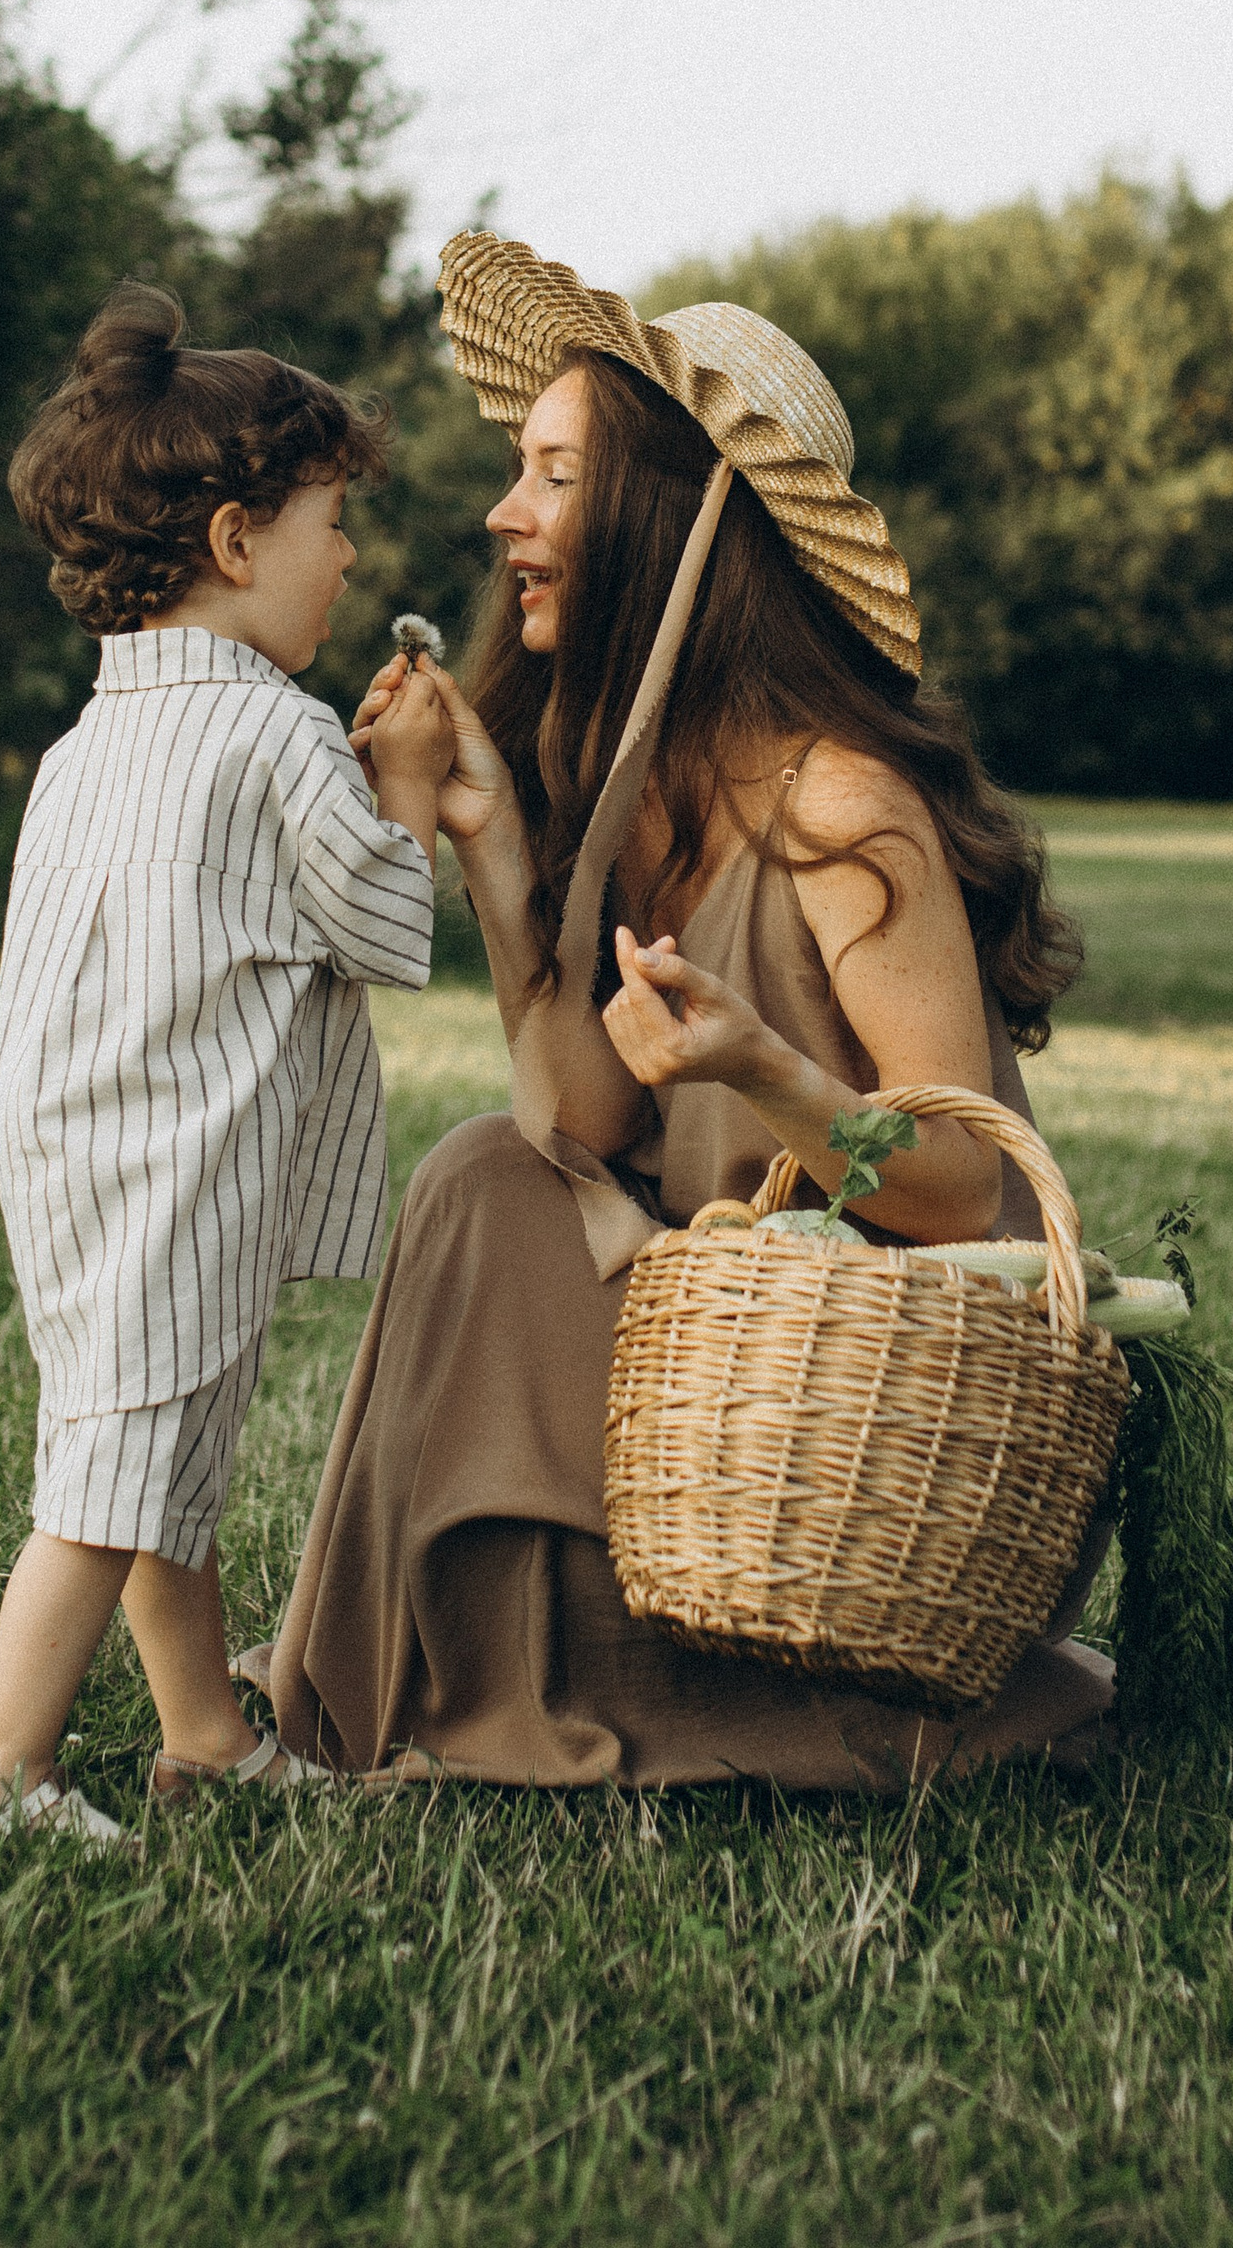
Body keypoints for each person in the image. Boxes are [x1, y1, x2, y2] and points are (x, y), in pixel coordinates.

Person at [248, 234, 1117, 1788]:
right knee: (477, 1174)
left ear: (666, 516)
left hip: (851, 1420)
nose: (505, 513)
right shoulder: (639, 792)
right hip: (697, 1354)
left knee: (482, 1194)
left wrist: (766, 1067)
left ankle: (501, 1665)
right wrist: (497, 844)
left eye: (553, 475)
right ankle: (434, 1655)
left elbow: (958, 1185)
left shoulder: (847, 807)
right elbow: (579, 1127)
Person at [0, 284, 453, 1836]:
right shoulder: (274, 735)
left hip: (70, 1138)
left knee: (151, 1446)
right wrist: (415, 789)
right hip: (178, 1152)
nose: (352, 556)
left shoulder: (87, 742)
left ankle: (206, 1732)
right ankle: (6, 1769)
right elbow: (378, 918)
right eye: (330, 522)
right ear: (238, 540)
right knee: (111, 1479)